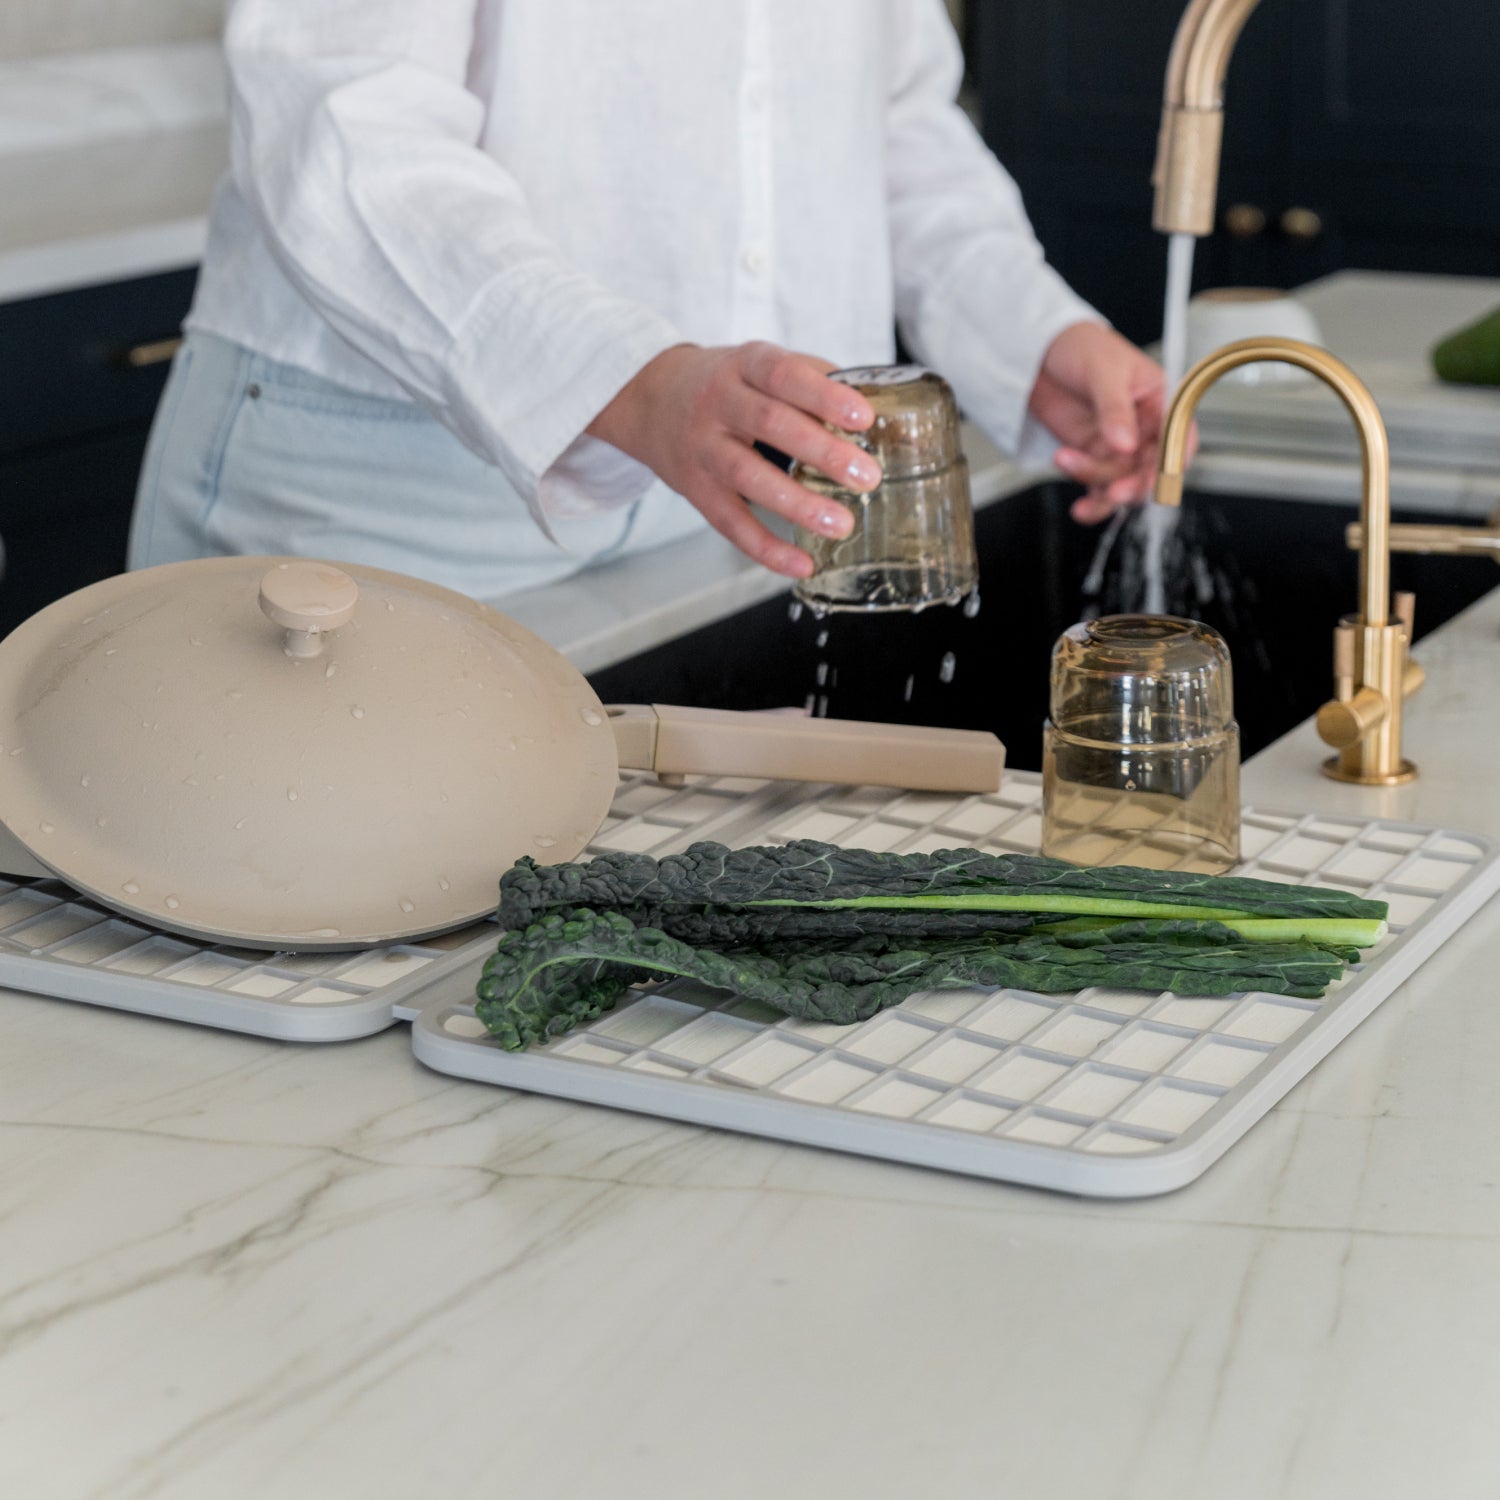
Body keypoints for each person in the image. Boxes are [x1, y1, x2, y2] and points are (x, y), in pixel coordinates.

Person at [129, 0, 1172, 603]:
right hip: (385, 507)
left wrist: (1031, 331)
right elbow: (345, 117)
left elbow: (887, 121)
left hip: (723, 498)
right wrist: (629, 380)